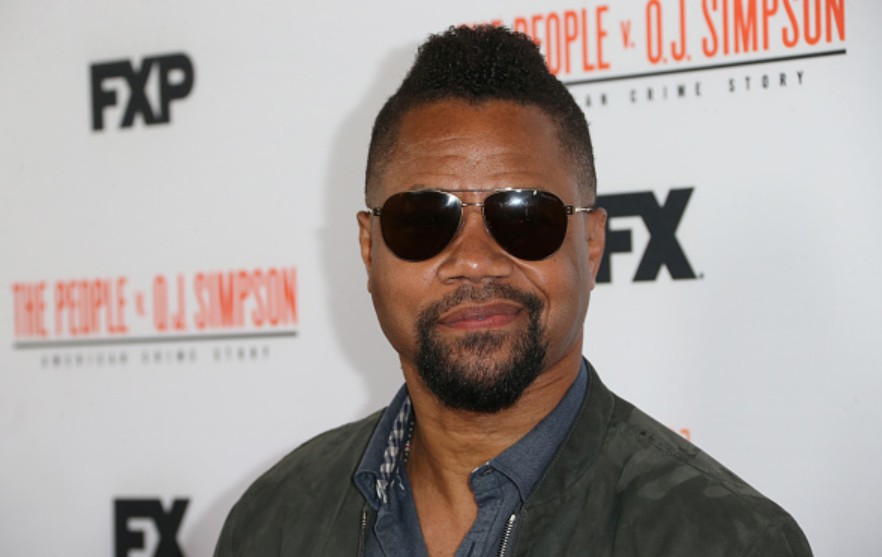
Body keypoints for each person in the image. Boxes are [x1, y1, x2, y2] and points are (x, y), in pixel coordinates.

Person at [214, 25, 812, 557]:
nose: (475, 261)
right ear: (370, 250)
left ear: (592, 244)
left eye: (526, 217)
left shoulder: (725, 540)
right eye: (424, 220)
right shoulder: (272, 522)